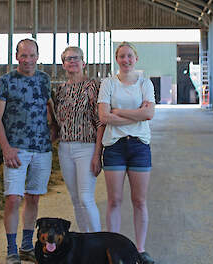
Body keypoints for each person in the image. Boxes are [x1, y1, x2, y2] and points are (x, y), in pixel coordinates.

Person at [0, 39, 53, 264]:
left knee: (33, 197)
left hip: (42, 149)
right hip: (15, 149)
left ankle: (27, 246)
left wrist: (54, 131)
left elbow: (49, 107)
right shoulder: (5, 81)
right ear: (16, 56)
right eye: (23, 55)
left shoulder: (45, 80)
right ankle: (11, 249)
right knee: (13, 198)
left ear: (38, 56)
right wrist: (5, 148)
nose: (27, 60)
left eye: (32, 55)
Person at [97, 41, 156, 264]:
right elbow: (104, 117)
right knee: (114, 200)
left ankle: (140, 250)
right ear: (117, 59)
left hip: (139, 145)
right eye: (122, 56)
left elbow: (149, 114)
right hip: (114, 146)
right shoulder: (108, 83)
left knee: (139, 200)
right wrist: (136, 114)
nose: (126, 60)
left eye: (130, 56)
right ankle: (114, 249)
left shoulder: (145, 83)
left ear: (136, 58)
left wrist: (119, 112)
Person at [52, 46, 104, 232]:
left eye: (76, 58)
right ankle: (85, 241)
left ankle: (97, 241)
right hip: (65, 148)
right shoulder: (60, 90)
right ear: (64, 64)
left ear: (83, 62)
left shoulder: (93, 86)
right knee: (75, 199)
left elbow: (100, 122)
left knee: (86, 198)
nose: (72, 61)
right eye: (68, 59)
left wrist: (97, 154)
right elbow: (57, 121)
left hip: (87, 147)